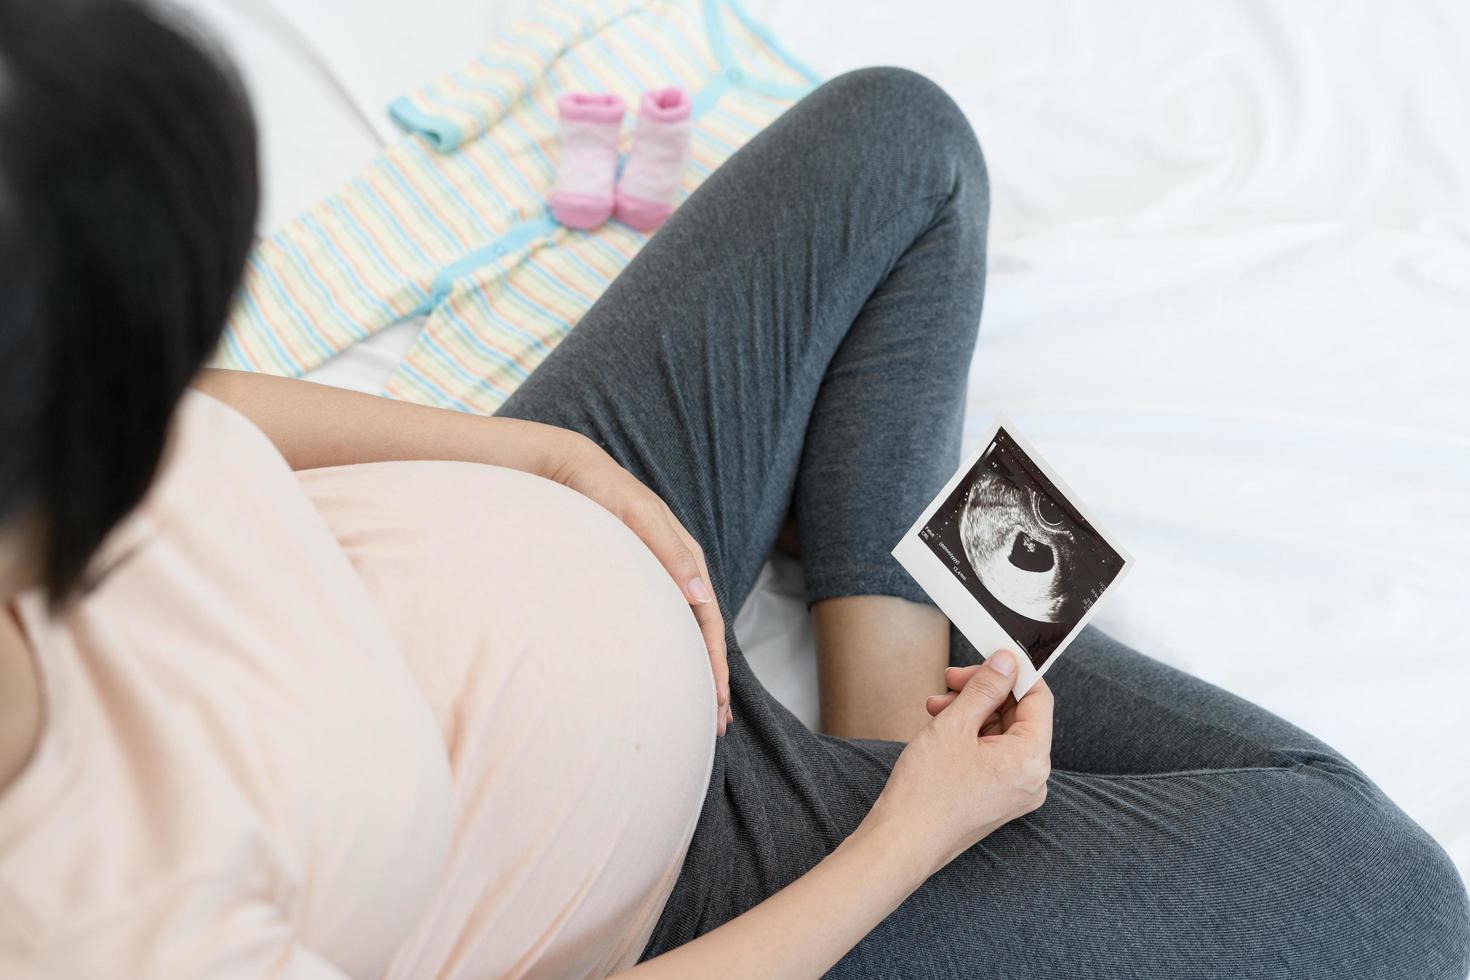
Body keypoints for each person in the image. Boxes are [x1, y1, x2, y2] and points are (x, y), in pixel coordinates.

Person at [1, 1, 1466, 977]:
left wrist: (533, 455)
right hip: (684, 873)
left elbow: (201, 407)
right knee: (1383, 897)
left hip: (576, 528)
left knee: (900, 144)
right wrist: (914, 836)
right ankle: (921, 676)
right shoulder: (98, 922)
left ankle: (893, 672)